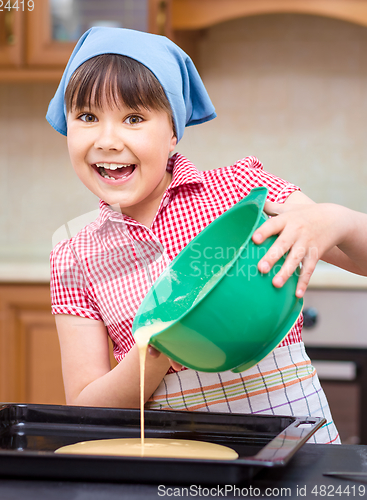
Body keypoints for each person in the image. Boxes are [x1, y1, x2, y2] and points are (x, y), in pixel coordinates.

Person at [46, 27, 367, 445]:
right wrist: (157, 349)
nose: (108, 140)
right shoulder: (76, 255)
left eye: (134, 118)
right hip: (179, 466)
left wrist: (336, 221)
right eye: (87, 117)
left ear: (174, 131)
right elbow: (87, 410)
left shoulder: (242, 191)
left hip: (301, 456)